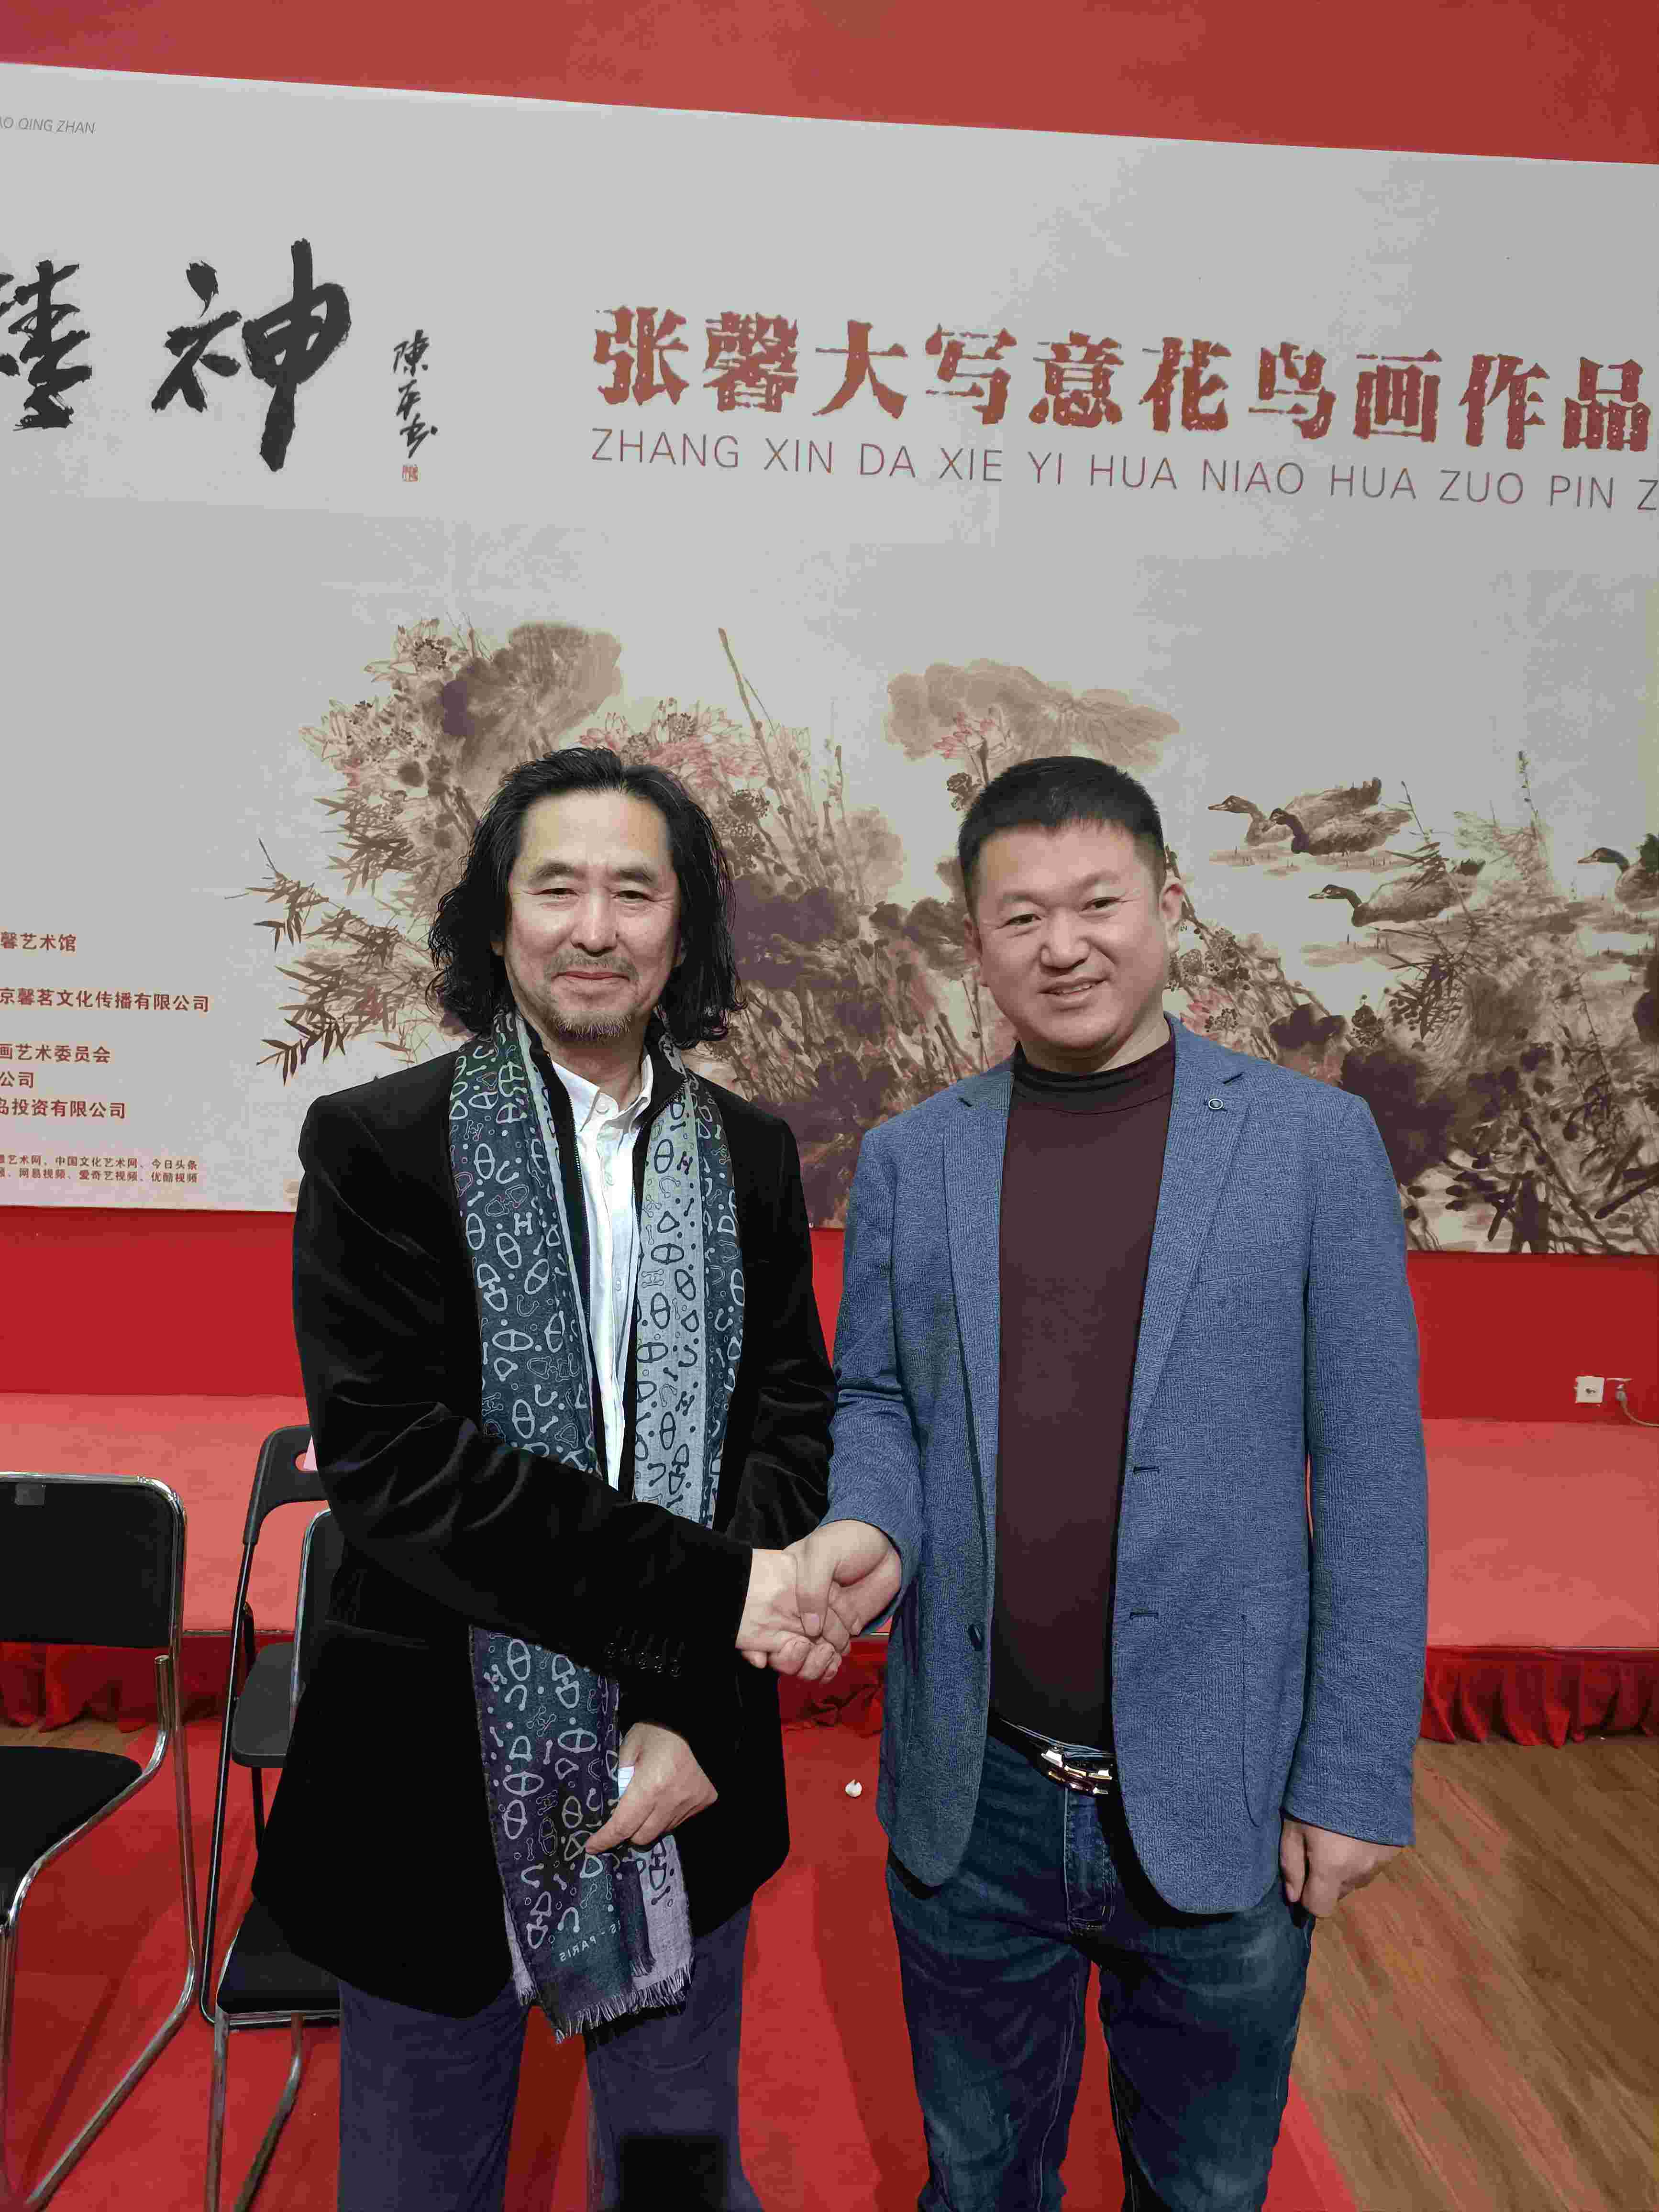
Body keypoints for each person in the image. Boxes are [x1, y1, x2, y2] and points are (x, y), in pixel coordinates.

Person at [790, 756, 1429, 2212]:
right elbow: (878, 1397)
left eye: (1098, 904)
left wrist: (1351, 1776)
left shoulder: (1311, 1148)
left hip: (1221, 1788)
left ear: (1170, 905)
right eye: (1021, 916)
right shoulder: (912, 1159)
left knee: (1201, 2191)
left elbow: (1374, 1478)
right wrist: (869, 1520)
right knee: (977, 2182)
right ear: (976, 940)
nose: (1062, 946)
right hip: (976, 1796)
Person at [254, 747, 855, 2212]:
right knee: (418, 2188)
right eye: (556, 888)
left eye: (633, 892)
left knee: (670, 2178)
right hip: (427, 1779)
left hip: (684, 1768)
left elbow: (788, 1428)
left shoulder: (748, 1155)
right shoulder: (377, 1147)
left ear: (683, 930)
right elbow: (408, 1479)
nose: (594, 928)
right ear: (496, 916)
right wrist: (718, 1602)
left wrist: (691, 1705)